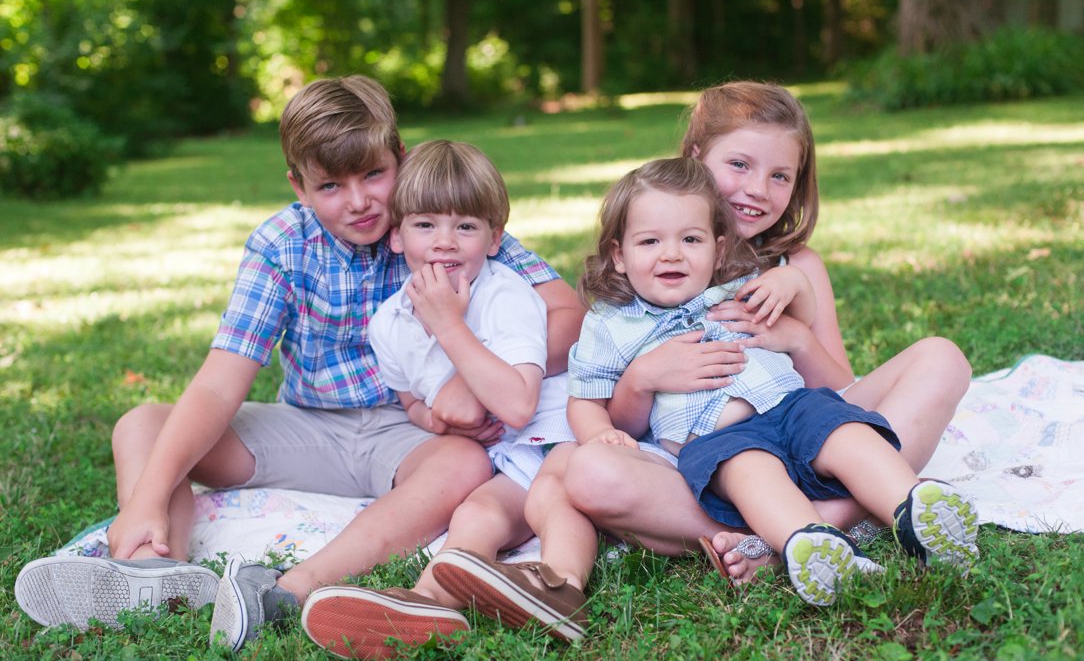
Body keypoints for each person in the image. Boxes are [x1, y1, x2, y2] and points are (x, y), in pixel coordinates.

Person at [13, 77, 585, 652]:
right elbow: (219, 385)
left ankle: (289, 589)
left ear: (401, 159)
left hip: (414, 434)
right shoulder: (283, 244)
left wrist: (465, 378)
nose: (358, 201)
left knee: (464, 465)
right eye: (331, 185)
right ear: (300, 187)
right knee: (143, 425)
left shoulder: (442, 222)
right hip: (309, 427)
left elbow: (566, 315)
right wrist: (147, 496)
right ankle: (151, 567)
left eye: (374, 174)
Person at [563, 81, 973, 583]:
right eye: (739, 164)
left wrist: (797, 334)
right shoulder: (640, 268)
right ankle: (806, 530)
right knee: (589, 473)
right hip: (704, 456)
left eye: (780, 176)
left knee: (940, 359)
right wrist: (643, 378)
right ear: (695, 158)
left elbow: (839, 391)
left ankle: (819, 530)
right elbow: (609, 418)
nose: (757, 189)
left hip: (800, 416)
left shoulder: (794, 267)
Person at [299, 140, 595, 659]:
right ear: (397, 236)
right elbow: (412, 403)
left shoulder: (504, 295)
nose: (444, 242)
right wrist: (438, 423)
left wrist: (449, 324)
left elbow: (519, 405)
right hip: (505, 460)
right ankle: (428, 604)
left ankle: (560, 588)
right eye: (425, 224)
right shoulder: (388, 324)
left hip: (557, 437)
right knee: (476, 514)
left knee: (550, 498)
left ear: (494, 238)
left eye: (465, 227)